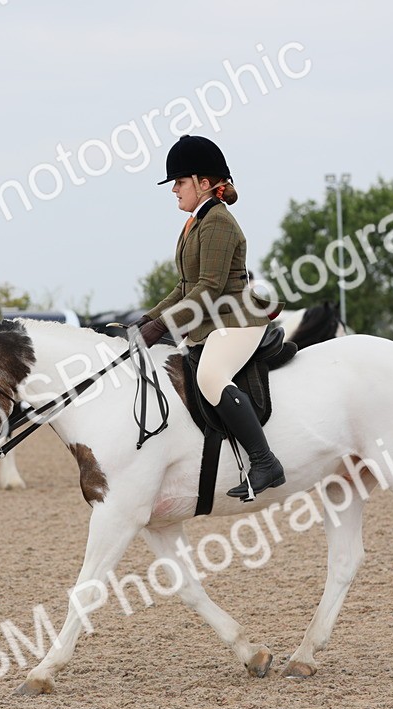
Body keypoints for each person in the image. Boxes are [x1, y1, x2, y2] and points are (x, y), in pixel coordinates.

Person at [136, 135, 285, 500]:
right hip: (215, 321)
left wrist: (163, 326)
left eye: (181, 182)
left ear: (204, 183)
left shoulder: (217, 221)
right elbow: (184, 285)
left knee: (211, 376)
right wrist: (147, 320)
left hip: (238, 321)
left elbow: (208, 289)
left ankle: (264, 461)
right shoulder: (195, 223)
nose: (174, 189)